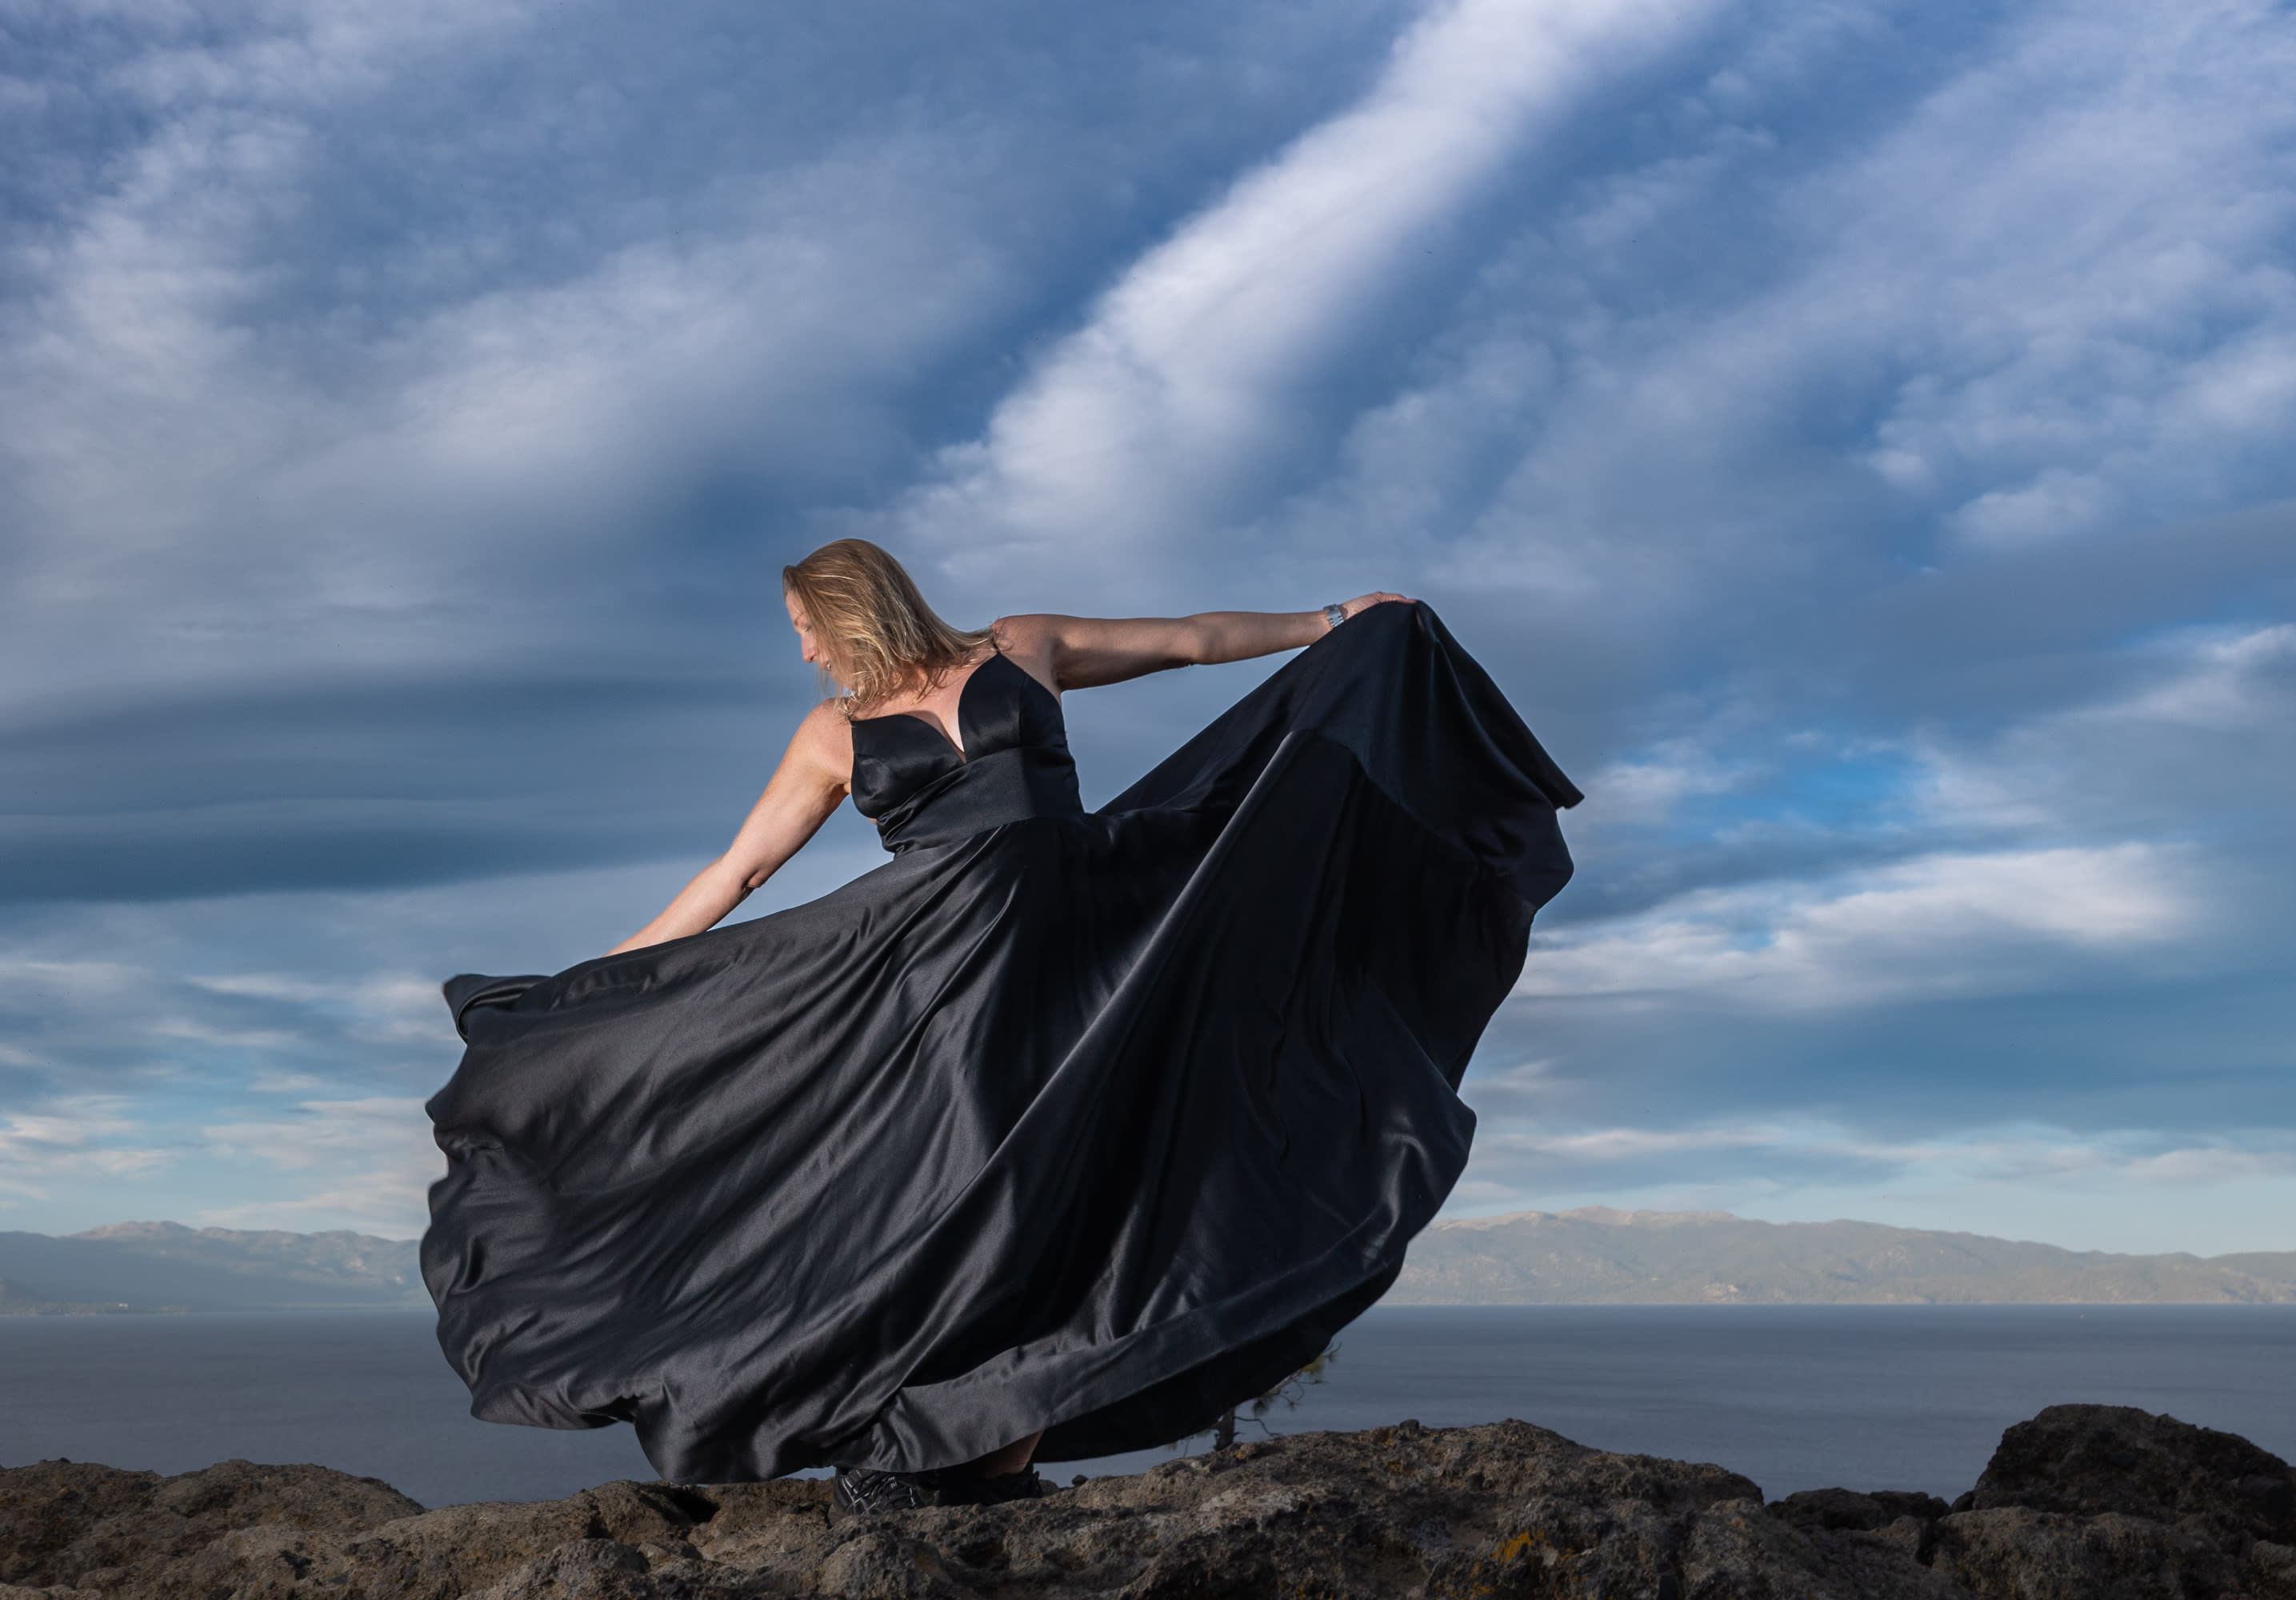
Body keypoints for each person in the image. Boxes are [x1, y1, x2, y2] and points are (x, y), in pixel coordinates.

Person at [422, 538, 1580, 1514]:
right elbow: (736, 875)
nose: (803, 647)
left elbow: (1188, 639)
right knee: (974, 1198)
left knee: (1081, 1182)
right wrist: (599, 980)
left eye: (802, 624)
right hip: (936, 981)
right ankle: (922, 1442)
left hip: (1082, 948)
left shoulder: (1021, 646)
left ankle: (985, 1443)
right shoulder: (834, 733)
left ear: (846, 606)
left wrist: (1328, 619)